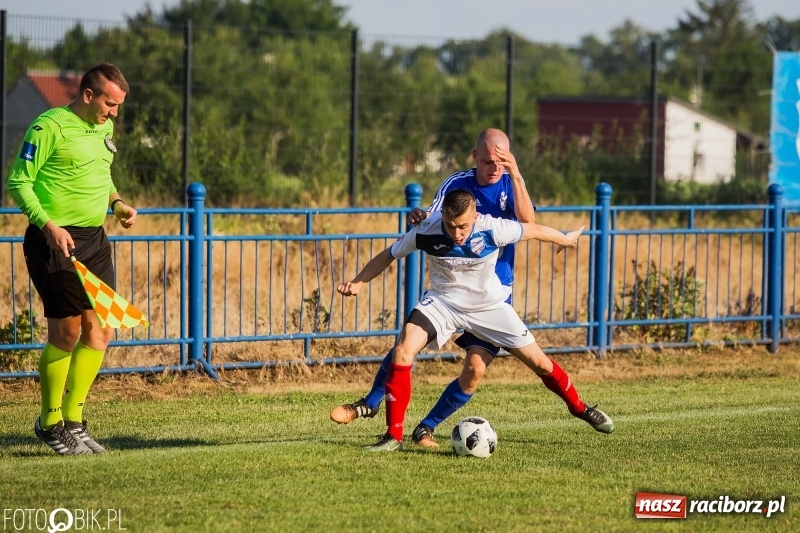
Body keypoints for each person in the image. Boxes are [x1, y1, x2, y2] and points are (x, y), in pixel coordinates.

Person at [331, 128, 586, 448]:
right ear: (475, 156)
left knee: (476, 369)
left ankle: (425, 427)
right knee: (406, 344)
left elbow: (530, 223)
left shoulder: (506, 192)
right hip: (449, 290)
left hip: (493, 290)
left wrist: (518, 176)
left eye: (503, 162)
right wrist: (421, 217)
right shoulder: (456, 185)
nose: (496, 168)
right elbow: (433, 219)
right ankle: (374, 405)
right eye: (491, 161)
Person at [6, 63, 137, 455]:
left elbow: (101, 174)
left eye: (117, 106)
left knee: (101, 331)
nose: (114, 113)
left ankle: (74, 421)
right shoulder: (48, 128)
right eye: (110, 104)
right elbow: (18, 181)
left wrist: (116, 203)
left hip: (94, 240)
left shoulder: (104, 127)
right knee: (65, 334)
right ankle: (49, 423)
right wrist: (49, 226)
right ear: (88, 95)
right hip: (53, 242)